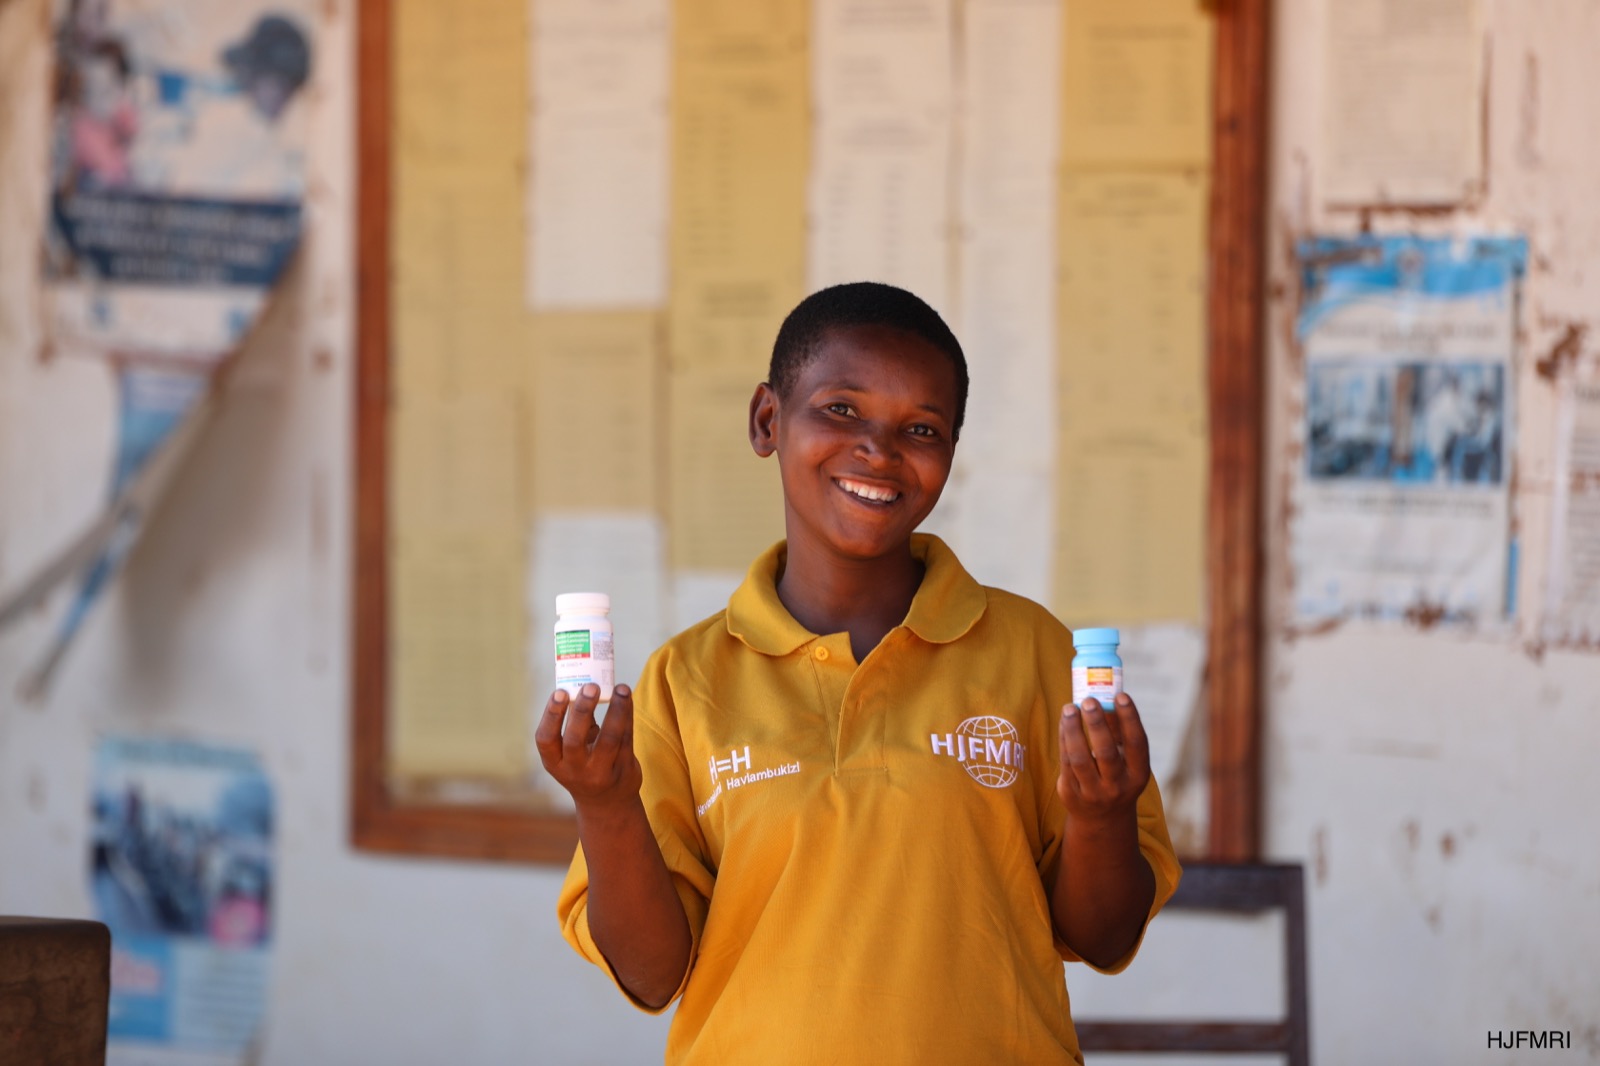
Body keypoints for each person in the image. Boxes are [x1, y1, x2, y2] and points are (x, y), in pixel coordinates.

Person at [538, 282, 1181, 1064]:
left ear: (949, 455)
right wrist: (604, 805)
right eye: (841, 409)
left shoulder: (1033, 653)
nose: (879, 449)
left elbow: (1103, 935)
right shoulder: (686, 681)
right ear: (768, 420)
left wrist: (1102, 815)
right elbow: (651, 974)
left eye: (922, 427)